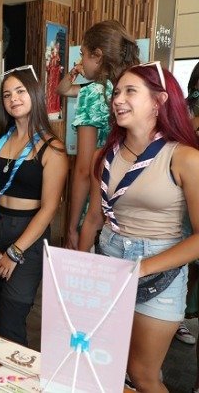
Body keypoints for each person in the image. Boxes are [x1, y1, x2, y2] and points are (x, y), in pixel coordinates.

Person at [78, 62, 199, 392]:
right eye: (117, 92)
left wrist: (141, 268)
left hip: (160, 272)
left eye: (130, 91)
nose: (118, 99)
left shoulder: (185, 158)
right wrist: (78, 269)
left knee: (143, 375)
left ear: (159, 101)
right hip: (109, 262)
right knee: (104, 362)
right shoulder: (104, 156)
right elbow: (94, 218)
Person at [0, 65, 68, 346]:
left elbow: (49, 208)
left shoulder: (53, 148)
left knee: (12, 317)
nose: (13, 98)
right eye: (7, 95)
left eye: (20, 91)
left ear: (35, 94)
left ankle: (15, 370)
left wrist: (15, 252)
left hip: (28, 236)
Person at [57, 20, 140, 249]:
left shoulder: (94, 93)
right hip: (131, 205)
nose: (81, 61)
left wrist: (72, 227)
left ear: (97, 55)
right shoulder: (134, 89)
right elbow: (62, 90)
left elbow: (84, 170)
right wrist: (75, 71)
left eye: (82, 54)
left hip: (98, 206)